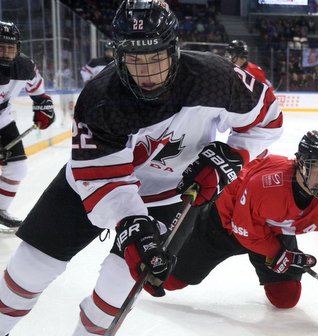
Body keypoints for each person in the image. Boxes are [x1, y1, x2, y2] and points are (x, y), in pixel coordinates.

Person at [0, 1, 282, 335]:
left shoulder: (215, 77)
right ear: (118, 55)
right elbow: (103, 176)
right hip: (91, 186)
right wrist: (132, 221)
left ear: (173, 50)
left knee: (117, 288)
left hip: (171, 195)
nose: (146, 72)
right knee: (28, 270)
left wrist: (233, 155)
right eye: (134, 59)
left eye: (155, 57)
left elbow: (267, 118)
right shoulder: (101, 97)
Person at [164, 130, 318, 330]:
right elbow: (242, 229)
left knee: (286, 298)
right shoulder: (266, 186)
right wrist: (277, 253)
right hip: (226, 225)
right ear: (301, 165)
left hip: (275, 230)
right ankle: (184, 226)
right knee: (169, 282)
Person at [0, 21, 55, 232]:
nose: (5, 53)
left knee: (18, 167)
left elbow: (39, 93)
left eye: (10, 47)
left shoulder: (25, 66)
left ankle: (1, 209)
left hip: (2, 117)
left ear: (18, 48)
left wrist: (43, 106)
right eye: (1, 47)